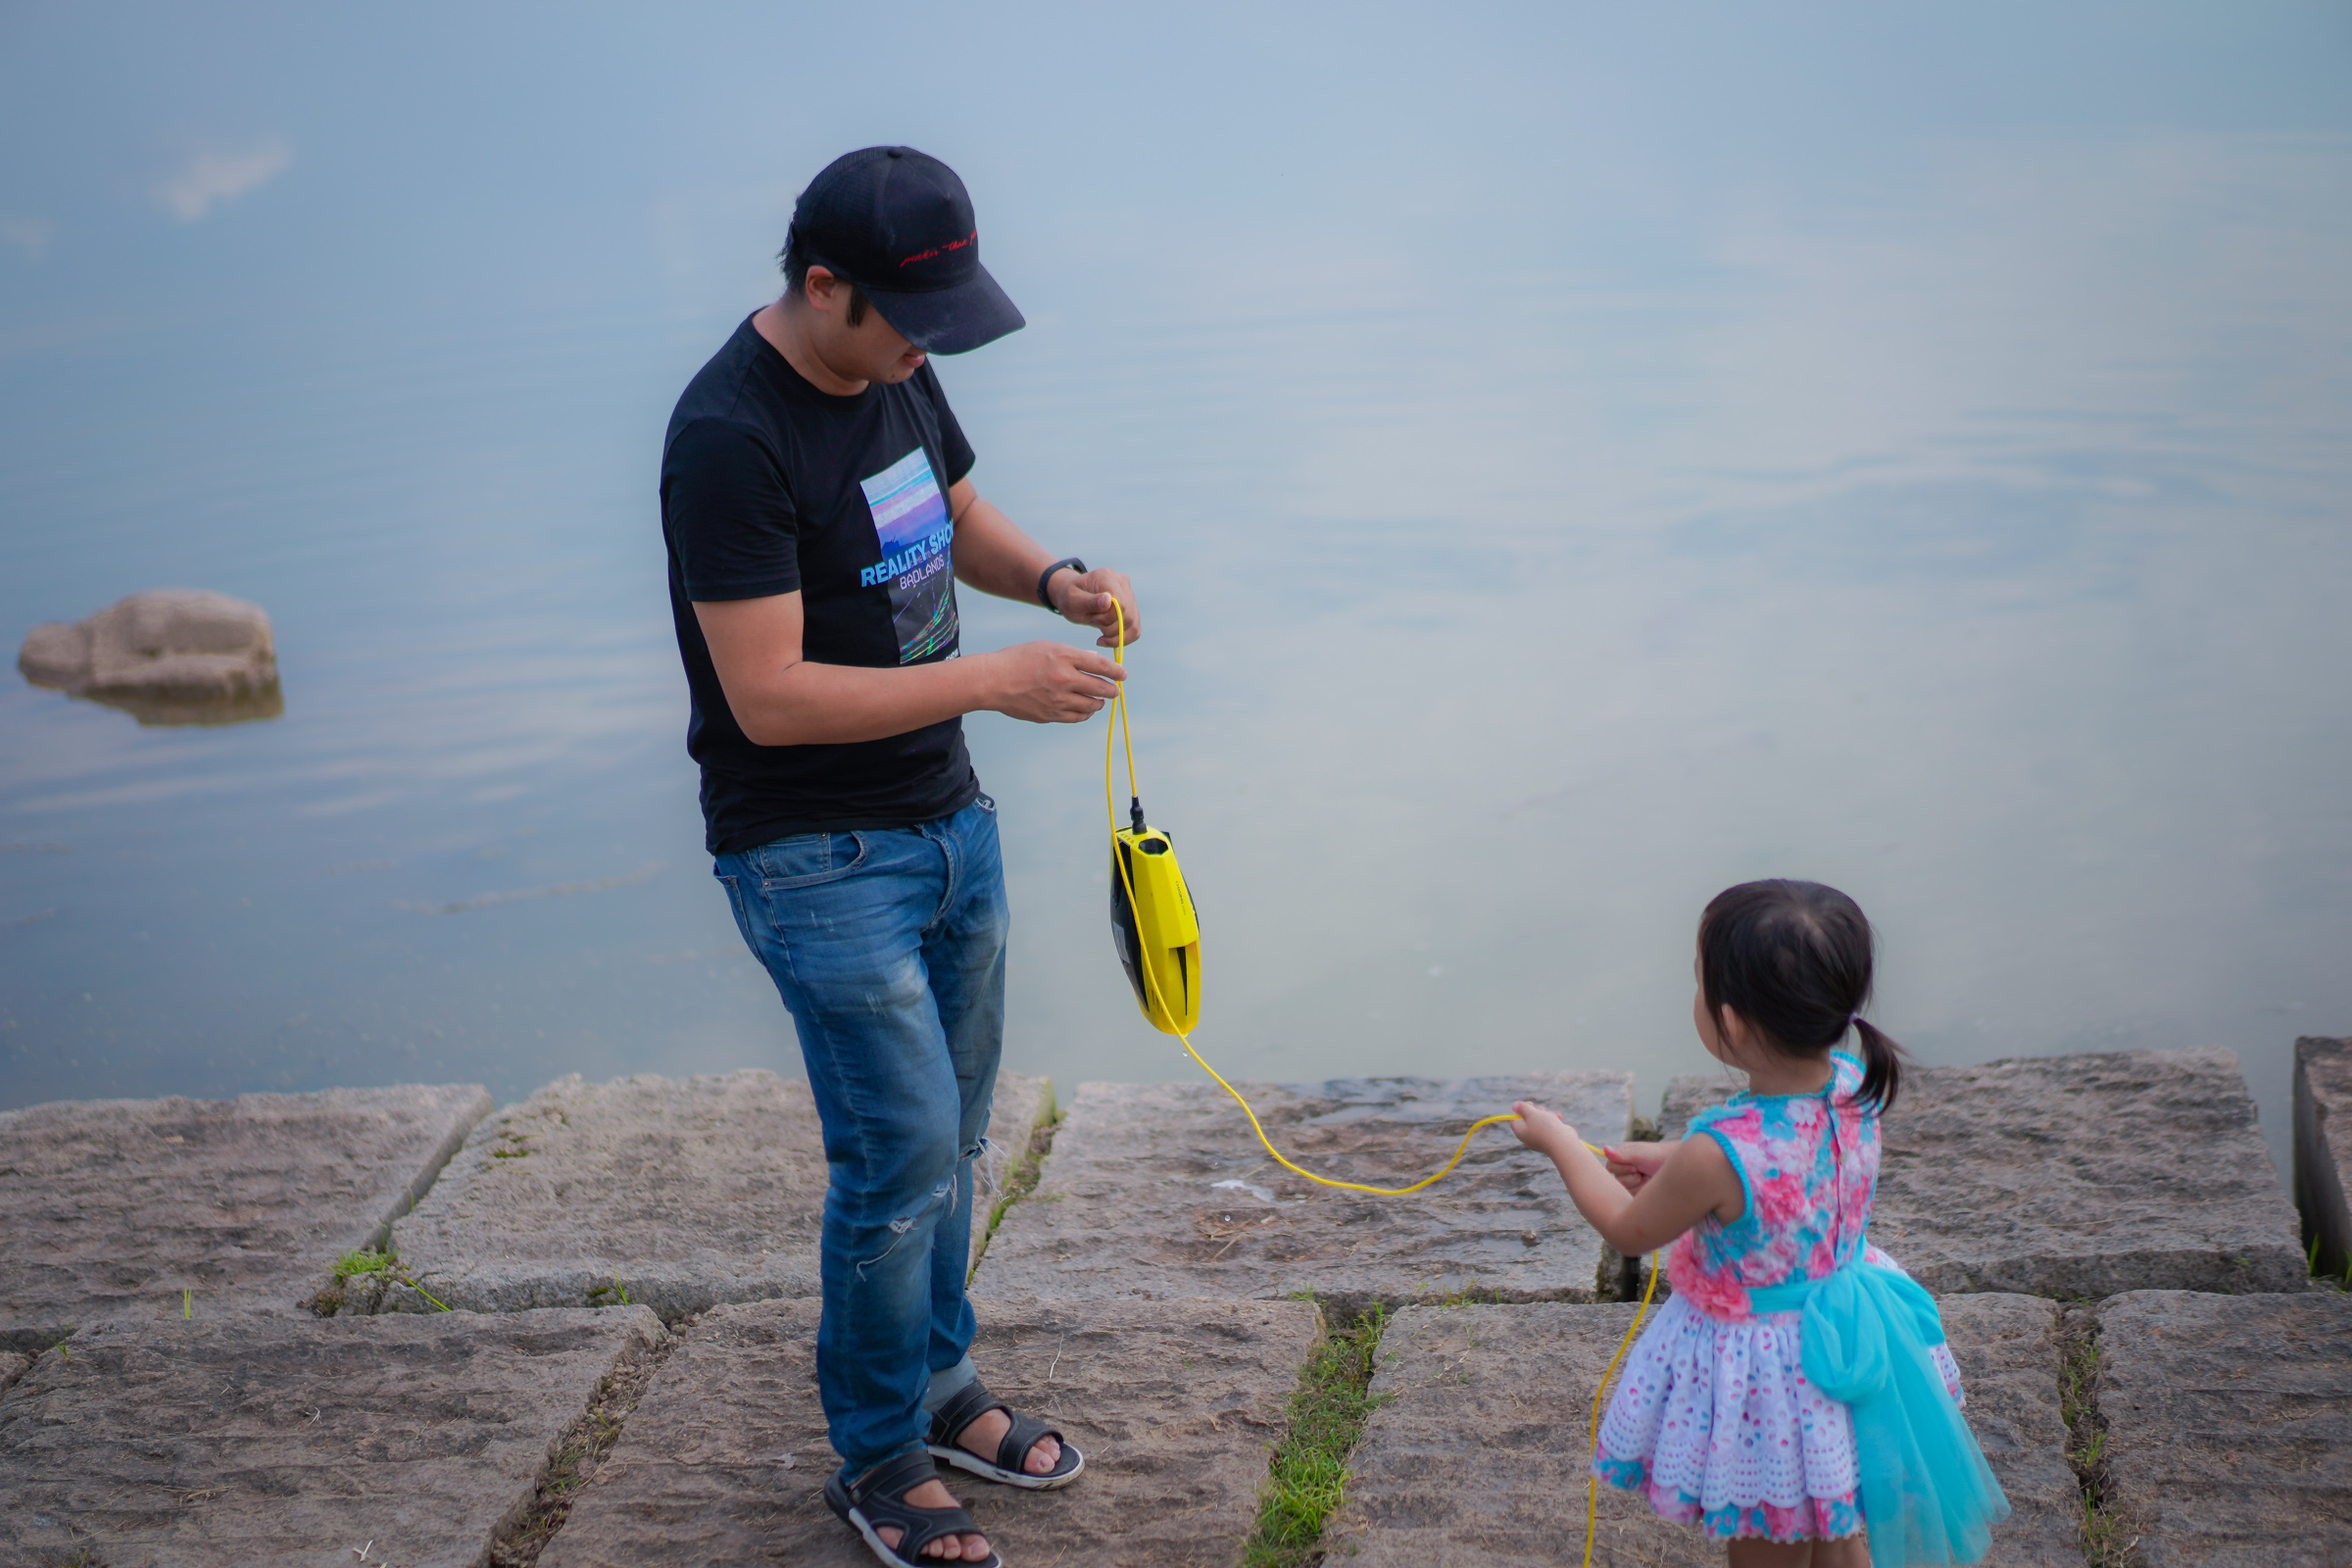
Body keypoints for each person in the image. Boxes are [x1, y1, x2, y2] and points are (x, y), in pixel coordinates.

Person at [659, 145, 1136, 1568]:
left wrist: (1054, 581)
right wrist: (994, 681)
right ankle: (876, 1456)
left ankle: (940, 1385)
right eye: (911, 321)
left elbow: (957, 512)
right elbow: (767, 697)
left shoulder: (896, 369)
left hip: (948, 823)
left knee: (957, 1135)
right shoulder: (729, 436)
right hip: (817, 856)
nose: (930, 348)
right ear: (824, 286)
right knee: (898, 1154)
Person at [1508, 880, 2010, 1567]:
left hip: (1768, 1375)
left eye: (1698, 982)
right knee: (1832, 1524)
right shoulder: (1852, 1085)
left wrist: (1560, 1144)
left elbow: (1627, 1230)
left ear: (1732, 1022)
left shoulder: (1717, 1156)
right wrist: (1676, 1160)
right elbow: (1787, 1163)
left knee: (1770, 1542)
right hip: (1850, 1333)